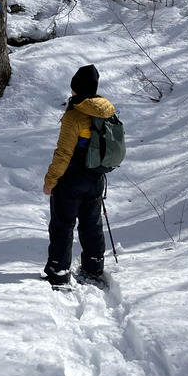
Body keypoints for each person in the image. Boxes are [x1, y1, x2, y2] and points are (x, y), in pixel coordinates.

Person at [42, 64, 115, 288]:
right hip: (96, 177)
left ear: (76, 88)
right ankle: (93, 267)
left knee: (63, 225)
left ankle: (59, 271)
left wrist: (50, 181)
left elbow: (64, 153)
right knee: (91, 224)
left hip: (71, 180)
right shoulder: (107, 112)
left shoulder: (75, 116)